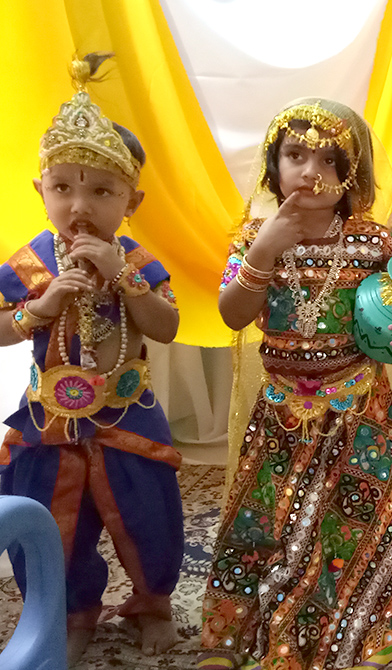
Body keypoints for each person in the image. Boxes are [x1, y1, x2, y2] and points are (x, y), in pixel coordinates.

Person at [199, 99, 392, 670]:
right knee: (264, 520)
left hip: (359, 410)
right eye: (295, 155)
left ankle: (368, 621)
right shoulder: (253, 238)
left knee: (358, 520)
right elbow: (231, 314)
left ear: (352, 173)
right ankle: (236, 631)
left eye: (328, 160)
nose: (310, 171)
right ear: (273, 166)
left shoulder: (376, 242)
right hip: (281, 415)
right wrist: (264, 251)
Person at [0, 54, 183, 663]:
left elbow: (167, 325)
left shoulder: (137, 260)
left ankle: (152, 603)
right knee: (55, 524)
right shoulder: (31, 263)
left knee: (150, 515)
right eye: (63, 188)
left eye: (102, 191)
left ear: (132, 200)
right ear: (40, 191)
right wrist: (39, 308)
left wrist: (125, 278)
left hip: (129, 415)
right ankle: (69, 611)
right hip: (48, 422)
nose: (80, 204)